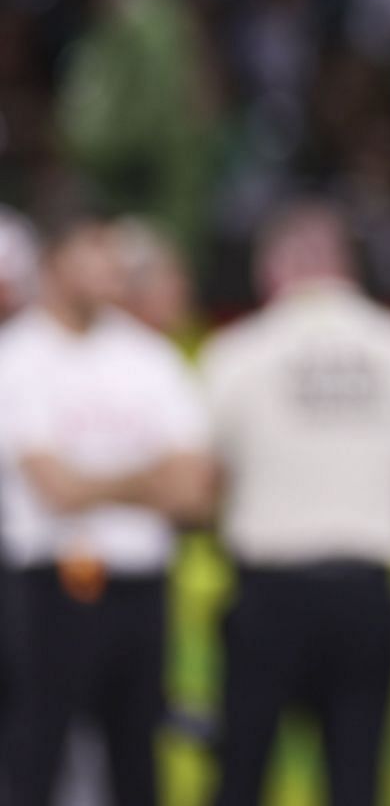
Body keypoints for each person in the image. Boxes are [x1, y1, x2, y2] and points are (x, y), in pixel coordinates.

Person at [201, 201, 390, 806]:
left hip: (268, 592)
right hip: (367, 592)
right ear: (346, 265)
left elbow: (202, 474)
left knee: (241, 772)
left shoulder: (238, 351)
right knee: (356, 776)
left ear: (275, 269)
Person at [0, 209, 214, 806]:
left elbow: (194, 492)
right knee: (36, 755)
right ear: (53, 263)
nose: (112, 267)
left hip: (142, 585)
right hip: (50, 585)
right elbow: (53, 491)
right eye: (94, 251)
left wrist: (98, 484)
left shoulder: (151, 358)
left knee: (137, 760)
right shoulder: (16, 358)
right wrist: (149, 479)